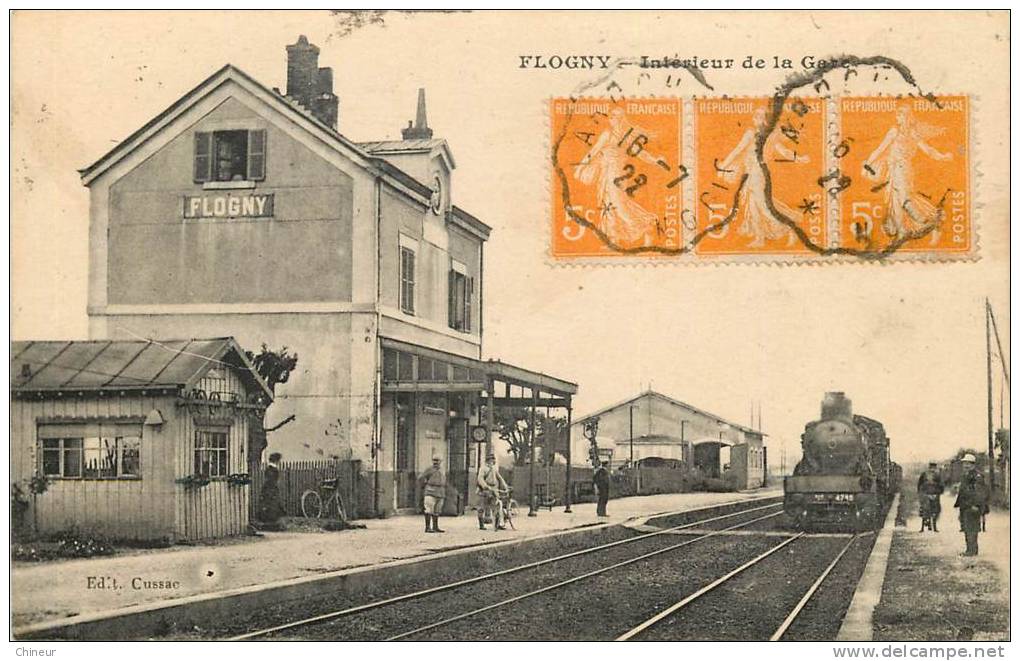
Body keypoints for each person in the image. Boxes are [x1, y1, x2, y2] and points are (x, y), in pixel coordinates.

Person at [953, 454, 990, 556]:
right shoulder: (966, 475)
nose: (965, 465)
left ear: (973, 465)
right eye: (964, 463)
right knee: (966, 527)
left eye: (968, 463)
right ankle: (970, 549)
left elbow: (980, 492)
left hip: (972, 506)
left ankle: (972, 550)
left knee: (971, 528)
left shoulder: (977, 476)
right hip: (965, 505)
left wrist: (977, 505)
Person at [476, 453, 508, 531]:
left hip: (493, 489)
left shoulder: (494, 469)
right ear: (487, 460)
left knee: (496, 506)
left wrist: (505, 486)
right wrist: (485, 486)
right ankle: (481, 525)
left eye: (493, 460)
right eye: (491, 459)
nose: (493, 461)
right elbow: (480, 479)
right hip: (485, 490)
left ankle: (497, 525)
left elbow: (500, 478)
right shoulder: (483, 469)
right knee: (481, 507)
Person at [418, 456, 447, 533]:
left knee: (437, 510)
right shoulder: (429, 469)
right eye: (434, 460)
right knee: (429, 509)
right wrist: (425, 484)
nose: (436, 462)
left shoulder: (442, 470)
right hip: (430, 491)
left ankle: (435, 527)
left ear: (441, 461)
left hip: (440, 492)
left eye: (437, 460)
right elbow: (421, 477)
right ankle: (427, 527)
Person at [258, 452, 285, 531]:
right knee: (271, 506)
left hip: (269, 489)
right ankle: (271, 525)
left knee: (270, 506)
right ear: (276, 461)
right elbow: (271, 480)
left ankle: (271, 524)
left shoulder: (270, 469)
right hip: (271, 489)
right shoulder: (272, 469)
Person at [917, 461, 945, 532]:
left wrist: (939, 492)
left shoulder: (935, 475)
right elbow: (920, 484)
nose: (932, 469)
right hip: (929, 494)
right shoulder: (927, 474)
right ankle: (927, 526)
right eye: (932, 467)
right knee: (929, 510)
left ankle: (929, 526)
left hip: (931, 494)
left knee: (931, 510)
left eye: (933, 467)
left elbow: (941, 485)